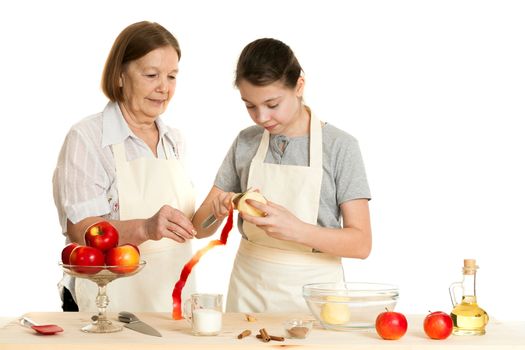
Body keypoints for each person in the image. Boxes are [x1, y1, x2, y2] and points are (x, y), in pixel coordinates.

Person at [192, 38, 372, 313]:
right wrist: (216, 213)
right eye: (250, 105)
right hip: (249, 290)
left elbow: (361, 244)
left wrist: (297, 230)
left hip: (315, 296)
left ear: (299, 86)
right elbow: (199, 228)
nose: (261, 117)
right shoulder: (246, 142)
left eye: (272, 104)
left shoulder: (340, 147)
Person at [53, 21, 197, 312]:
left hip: (170, 298)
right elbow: (81, 231)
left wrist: (220, 206)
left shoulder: (174, 140)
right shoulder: (89, 137)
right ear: (120, 75)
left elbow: (186, 226)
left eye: (172, 76)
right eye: (151, 75)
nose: (164, 88)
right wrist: (146, 227)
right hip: (106, 300)